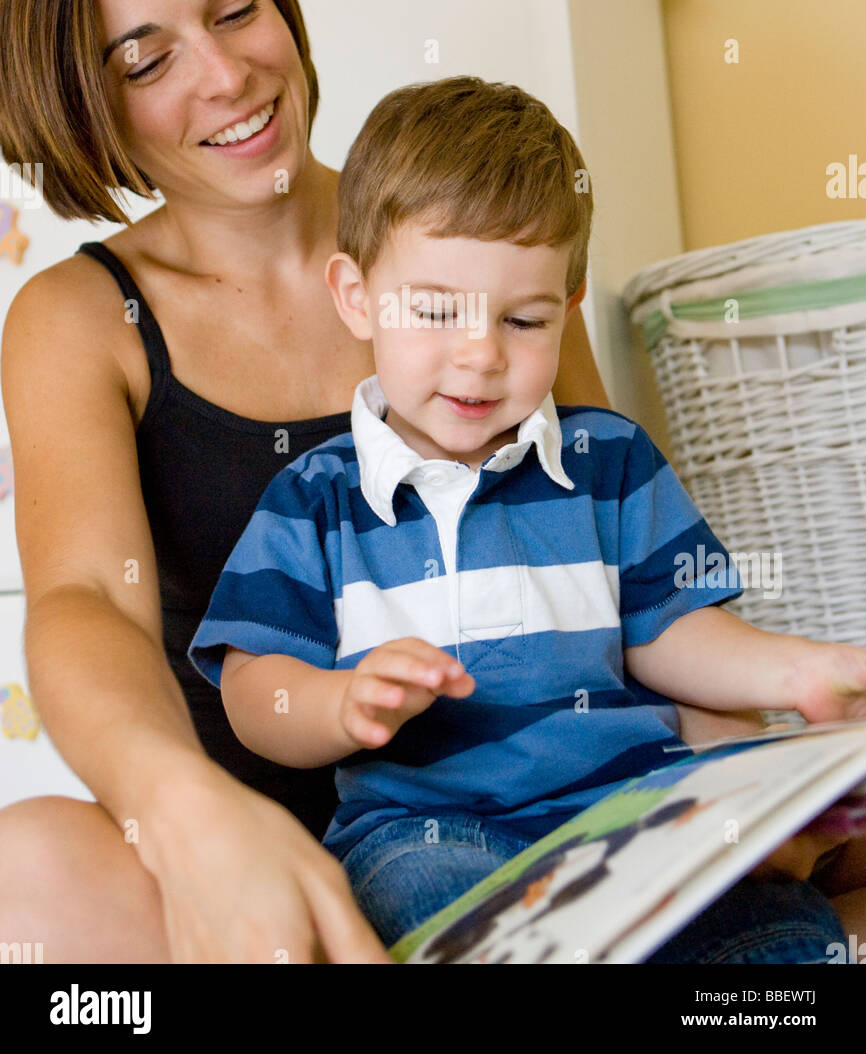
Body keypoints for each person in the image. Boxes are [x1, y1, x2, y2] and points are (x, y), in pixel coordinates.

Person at [0, 0, 849, 966]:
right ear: (85, 104)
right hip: (295, 849)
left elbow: (612, 559)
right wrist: (186, 813)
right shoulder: (78, 316)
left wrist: (739, 778)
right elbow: (80, 607)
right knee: (29, 870)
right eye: (149, 58)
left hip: (570, 815)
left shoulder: (479, 249)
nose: (225, 74)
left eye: (236, 7)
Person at [190, 76, 866, 959]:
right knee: (424, 904)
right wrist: (339, 702)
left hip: (630, 813)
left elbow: (671, 632)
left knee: (782, 928)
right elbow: (253, 688)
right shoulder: (316, 497)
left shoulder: (607, 462)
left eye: (522, 318)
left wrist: (797, 673)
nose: (480, 355)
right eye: (435, 311)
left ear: (567, 309)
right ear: (356, 296)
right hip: (431, 834)